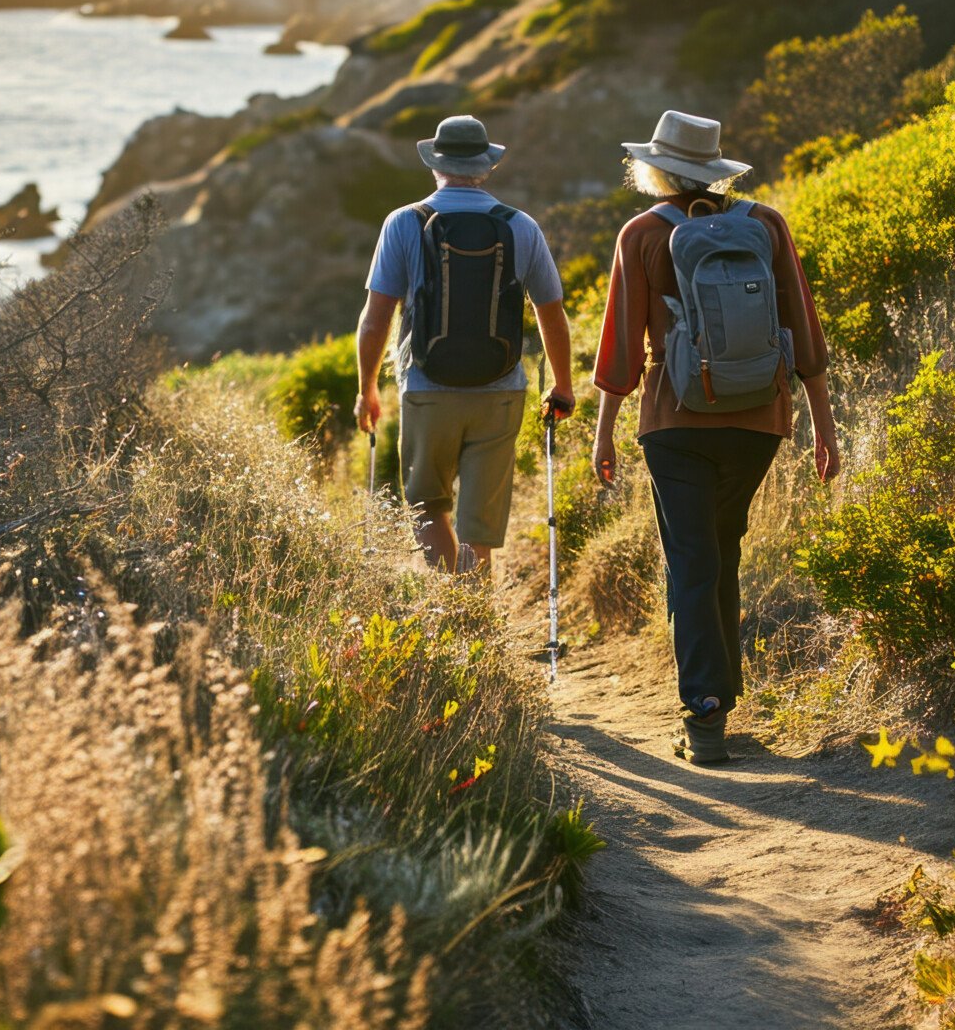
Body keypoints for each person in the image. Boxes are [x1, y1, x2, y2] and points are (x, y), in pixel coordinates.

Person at [590, 110, 838, 765]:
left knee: (694, 562)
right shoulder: (765, 224)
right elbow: (804, 331)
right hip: (761, 420)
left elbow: (621, 349)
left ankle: (705, 715)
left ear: (655, 168)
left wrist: (605, 434)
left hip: (676, 424)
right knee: (720, 551)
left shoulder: (642, 234)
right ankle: (719, 698)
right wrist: (824, 426)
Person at [355, 115, 575, 575]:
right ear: (487, 167)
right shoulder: (521, 226)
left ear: (436, 165)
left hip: (427, 386)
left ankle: (453, 615)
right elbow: (550, 311)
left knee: (428, 505)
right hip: (501, 389)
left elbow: (376, 321)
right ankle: (475, 611)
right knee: (478, 524)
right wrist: (563, 384)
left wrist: (367, 389)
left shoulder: (404, 223)